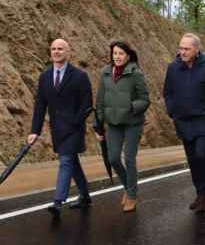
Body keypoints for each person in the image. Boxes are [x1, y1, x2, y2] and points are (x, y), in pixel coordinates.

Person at [28, 38, 93, 217]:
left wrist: (75, 121)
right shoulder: (45, 77)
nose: (56, 52)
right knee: (72, 162)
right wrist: (35, 131)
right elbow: (40, 105)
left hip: (74, 129)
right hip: (57, 130)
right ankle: (85, 196)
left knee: (65, 160)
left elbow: (87, 104)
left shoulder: (80, 76)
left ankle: (58, 201)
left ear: (68, 52)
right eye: (53, 49)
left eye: (60, 49)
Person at [163, 33, 205, 212]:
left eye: (186, 49)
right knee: (192, 159)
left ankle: (204, 194)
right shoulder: (173, 68)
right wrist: (172, 111)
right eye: (180, 48)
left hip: (203, 121)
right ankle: (199, 193)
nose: (182, 52)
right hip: (182, 121)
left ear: (197, 50)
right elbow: (167, 92)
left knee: (200, 154)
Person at [95, 41, 150, 212]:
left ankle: (132, 195)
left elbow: (145, 99)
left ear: (127, 56)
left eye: (120, 53)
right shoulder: (105, 73)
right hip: (113, 123)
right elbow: (100, 101)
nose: (117, 57)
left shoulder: (136, 74)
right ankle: (128, 186)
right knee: (112, 158)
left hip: (133, 122)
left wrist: (131, 107)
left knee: (129, 158)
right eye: (115, 53)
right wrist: (98, 125)